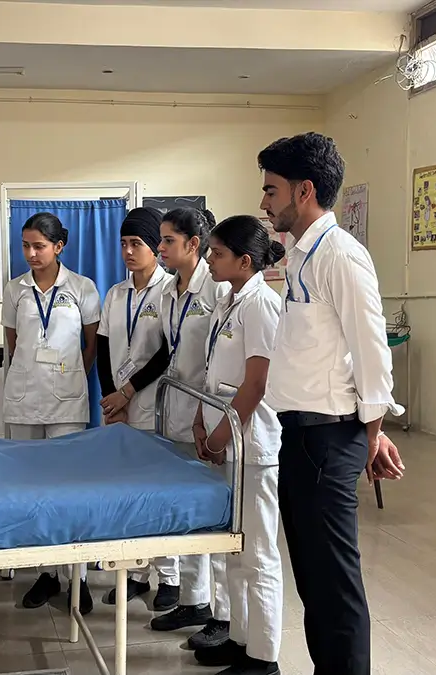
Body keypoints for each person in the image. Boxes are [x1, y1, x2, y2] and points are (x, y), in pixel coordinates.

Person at [257, 132, 404, 675]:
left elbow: (371, 350)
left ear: (305, 191)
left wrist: (372, 433)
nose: (264, 202)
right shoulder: (302, 255)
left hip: (328, 437)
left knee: (335, 586)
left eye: (271, 190)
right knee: (313, 582)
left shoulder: (340, 255)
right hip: (300, 435)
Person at [192, 215, 286, 675]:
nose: (209, 260)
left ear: (245, 261)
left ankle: (264, 658)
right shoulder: (227, 301)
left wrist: (218, 436)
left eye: (217, 253)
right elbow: (213, 370)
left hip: (250, 446)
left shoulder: (262, 304)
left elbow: (256, 383)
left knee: (258, 553)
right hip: (224, 438)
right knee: (234, 547)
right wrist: (200, 419)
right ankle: (240, 639)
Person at [4, 212, 101, 615]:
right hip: (24, 399)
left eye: (39, 246)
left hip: (67, 400)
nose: (31, 253)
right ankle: (46, 573)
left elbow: (91, 345)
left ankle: (78, 576)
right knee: (32, 488)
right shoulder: (15, 289)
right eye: (25, 246)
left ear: (59, 246)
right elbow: (13, 344)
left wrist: (71, 376)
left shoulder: (82, 287)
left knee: (69, 487)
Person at [150, 207, 232, 642]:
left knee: (215, 516)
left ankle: (224, 613)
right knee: (188, 513)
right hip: (175, 410)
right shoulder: (168, 291)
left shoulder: (216, 289)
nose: (160, 248)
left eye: (168, 240)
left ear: (193, 244)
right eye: (161, 240)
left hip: (209, 414)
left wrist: (205, 419)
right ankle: (193, 600)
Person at [96, 206, 180, 609]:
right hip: (119, 410)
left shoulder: (169, 291)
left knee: (159, 493)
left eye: (137, 243)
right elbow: (102, 348)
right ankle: (134, 574)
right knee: (126, 495)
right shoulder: (116, 293)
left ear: (155, 246)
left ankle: (169, 577)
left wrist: (127, 393)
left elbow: (165, 353)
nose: (128, 251)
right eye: (124, 244)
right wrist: (111, 400)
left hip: (152, 405)